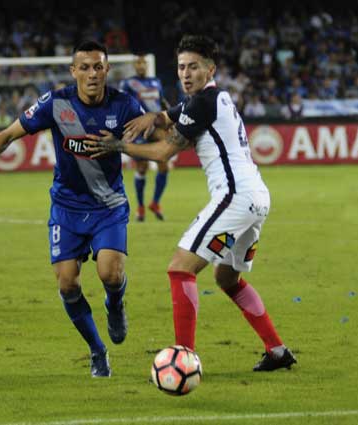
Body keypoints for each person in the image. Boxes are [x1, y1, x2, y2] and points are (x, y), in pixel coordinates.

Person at [85, 35, 297, 371]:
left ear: (210, 69)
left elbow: (163, 152)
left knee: (180, 268)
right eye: (181, 67)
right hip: (257, 198)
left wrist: (118, 146)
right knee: (228, 279)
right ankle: (277, 351)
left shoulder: (203, 103)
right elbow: (168, 116)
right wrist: (148, 118)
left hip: (235, 197)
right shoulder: (212, 98)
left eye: (193, 67)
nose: (185, 73)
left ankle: (183, 358)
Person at [0, 41, 144, 377]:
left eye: (98, 67)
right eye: (85, 67)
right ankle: (97, 350)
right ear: (73, 71)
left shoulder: (124, 105)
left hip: (108, 205)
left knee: (110, 273)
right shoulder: (55, 103)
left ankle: (115, 305)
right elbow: (9, 134)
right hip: (66, 207)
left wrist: (139, 139)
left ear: (107, 70)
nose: (92, 73)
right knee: (66, 284)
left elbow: (152, 136)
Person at [119, 55, 171, 221]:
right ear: (135, 65)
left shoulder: (155, 81)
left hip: (156, 127)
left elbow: (162, 101)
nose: (141, 65)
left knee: (164, 166)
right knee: (142, 167)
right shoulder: (127, 83)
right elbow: (120, 104)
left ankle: (155, 202)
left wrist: (171, 117)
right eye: (138, 63)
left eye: (143, 63)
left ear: (146, 65)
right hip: (139, 128)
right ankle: (140, 207)